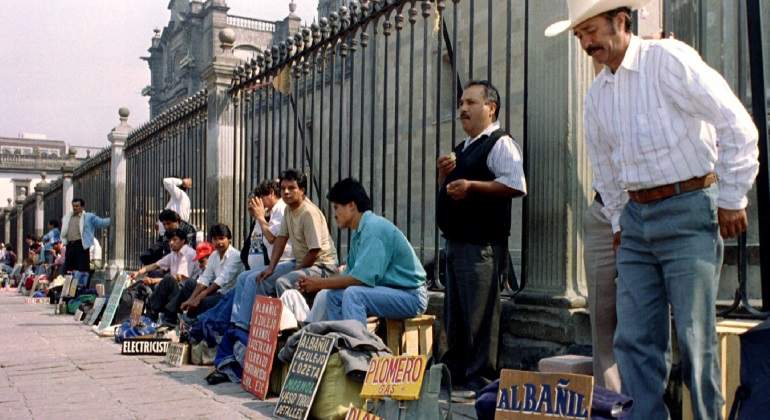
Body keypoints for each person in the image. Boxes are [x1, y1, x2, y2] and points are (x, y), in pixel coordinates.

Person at [546, 1, 759, 417]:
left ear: (621, 21)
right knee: (635, 338)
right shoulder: (597, 96)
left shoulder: (669, 61)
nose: (587, 43)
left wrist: (733, 197)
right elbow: (606, 169)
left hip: (689, 208)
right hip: (636, 222)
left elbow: (737, 125)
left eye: (591, 31)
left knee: (697, 338)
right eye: (579, 37)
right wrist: (619, 221)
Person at [436, 80, 527, 397]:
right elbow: (451, 192)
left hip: (483, 245)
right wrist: (443, 176)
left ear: (491, 108)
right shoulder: (462, 149)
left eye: (471, 103)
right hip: (458, 243)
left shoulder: (500, 143)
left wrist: (473, 186)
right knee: (457, 313)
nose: (463, 109)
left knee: (480, 314)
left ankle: (481, 380)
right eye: (461, 102)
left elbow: (516, 184)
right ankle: (457, 374)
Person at [299, 178, 428, 325]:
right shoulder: (359, 232)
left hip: (412, 297)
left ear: (351, 206)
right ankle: (340, 340)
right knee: (332, 296)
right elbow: (349, 274)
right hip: (391, 292)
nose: (334, 214)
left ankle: (357, 345)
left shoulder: (373, 229)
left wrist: (319, 283)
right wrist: (321, 284)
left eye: (336, 207)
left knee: (354, 294)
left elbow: (360, 279)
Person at [255, 169, 338, 305]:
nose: (286, 192)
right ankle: (263, 324)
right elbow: (281, 239)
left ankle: (294, 324)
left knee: (284, 282)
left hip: (323, 266)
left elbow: (314, 251)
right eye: (283, 188)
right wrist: (270, 268)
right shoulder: (288, 209)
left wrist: (296, 271)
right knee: (262, 280)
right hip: (303, 264)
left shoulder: (308, 213)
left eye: (291, 188)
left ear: (302, 190)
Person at [230, 179, 294, 330]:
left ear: (271, 194)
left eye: (261, 199)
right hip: (277, 263)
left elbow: (272, 238)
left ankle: (243, 326)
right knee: (242, 277)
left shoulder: (281, 209)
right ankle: (236, 322)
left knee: (253, 279)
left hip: (289, 261)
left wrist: (260, 217)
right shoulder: (273, 212)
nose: (260, 204)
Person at [131, 228, 196, 324]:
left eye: (174, 240)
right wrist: (138, 273)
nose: (171, 243)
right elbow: (155, 265)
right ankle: (134, 319)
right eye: (170, 240)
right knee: (142, 287)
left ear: (183, 241)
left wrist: (153, 280)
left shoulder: (189, 254)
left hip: (186, 291)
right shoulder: (173, 254)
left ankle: (151, 316)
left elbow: (179, 278)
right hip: (174, 288)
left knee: (167, 280)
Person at [179, 224, 243, 318]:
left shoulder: (236, 256)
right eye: (215, 239)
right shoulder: (214, 255)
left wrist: (199, 297)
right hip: (216, 292)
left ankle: (192, 321)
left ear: (229, 239)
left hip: (229, 295)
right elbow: (205, 278)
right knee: (189, 285)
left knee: (203, 301)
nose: (218, 242)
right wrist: (191, 299)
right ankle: (173, 316)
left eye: (221, 238)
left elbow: (221, 281)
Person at [61, 198, 111, 287]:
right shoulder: (68, 217)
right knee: (68, 270)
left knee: (82, 270)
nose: (75, 208)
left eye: (77, 206)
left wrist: (114, 218)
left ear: (82, 207)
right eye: (73, 206)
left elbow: (101, 222)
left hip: (81, 245)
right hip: (70, 246)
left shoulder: (88, 217)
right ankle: (69, 291)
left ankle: (82, 289)